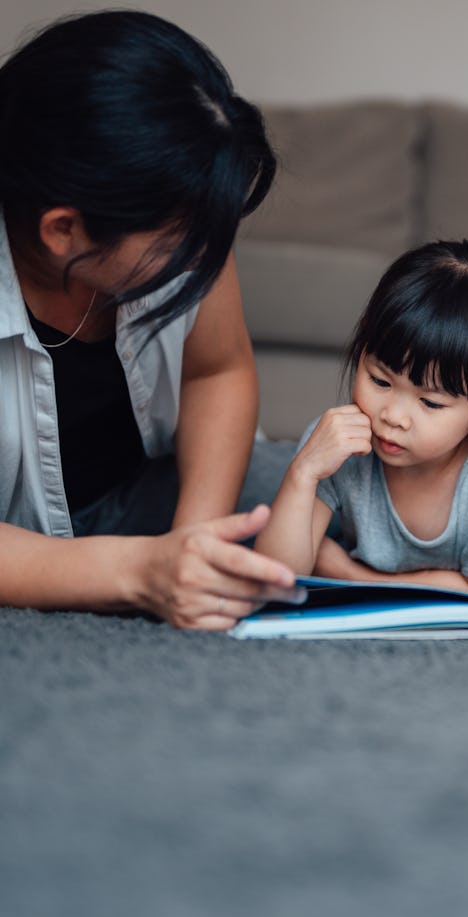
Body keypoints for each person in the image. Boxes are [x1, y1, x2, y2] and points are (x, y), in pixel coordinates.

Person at [0, 10, 302, 629]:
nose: (207, 259)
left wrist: (198, 543)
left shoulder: (185, 220)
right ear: (64, 229)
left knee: (356, 494)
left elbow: (217, 372)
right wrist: (143, 572)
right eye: (178, 243)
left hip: (146, 491)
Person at [255, 239, 468, 592]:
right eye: (380, 380)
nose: (393, 417)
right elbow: (276, 578)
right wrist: (303, 473)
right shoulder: (336, 447)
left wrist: (353, 576)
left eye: (430, 403)